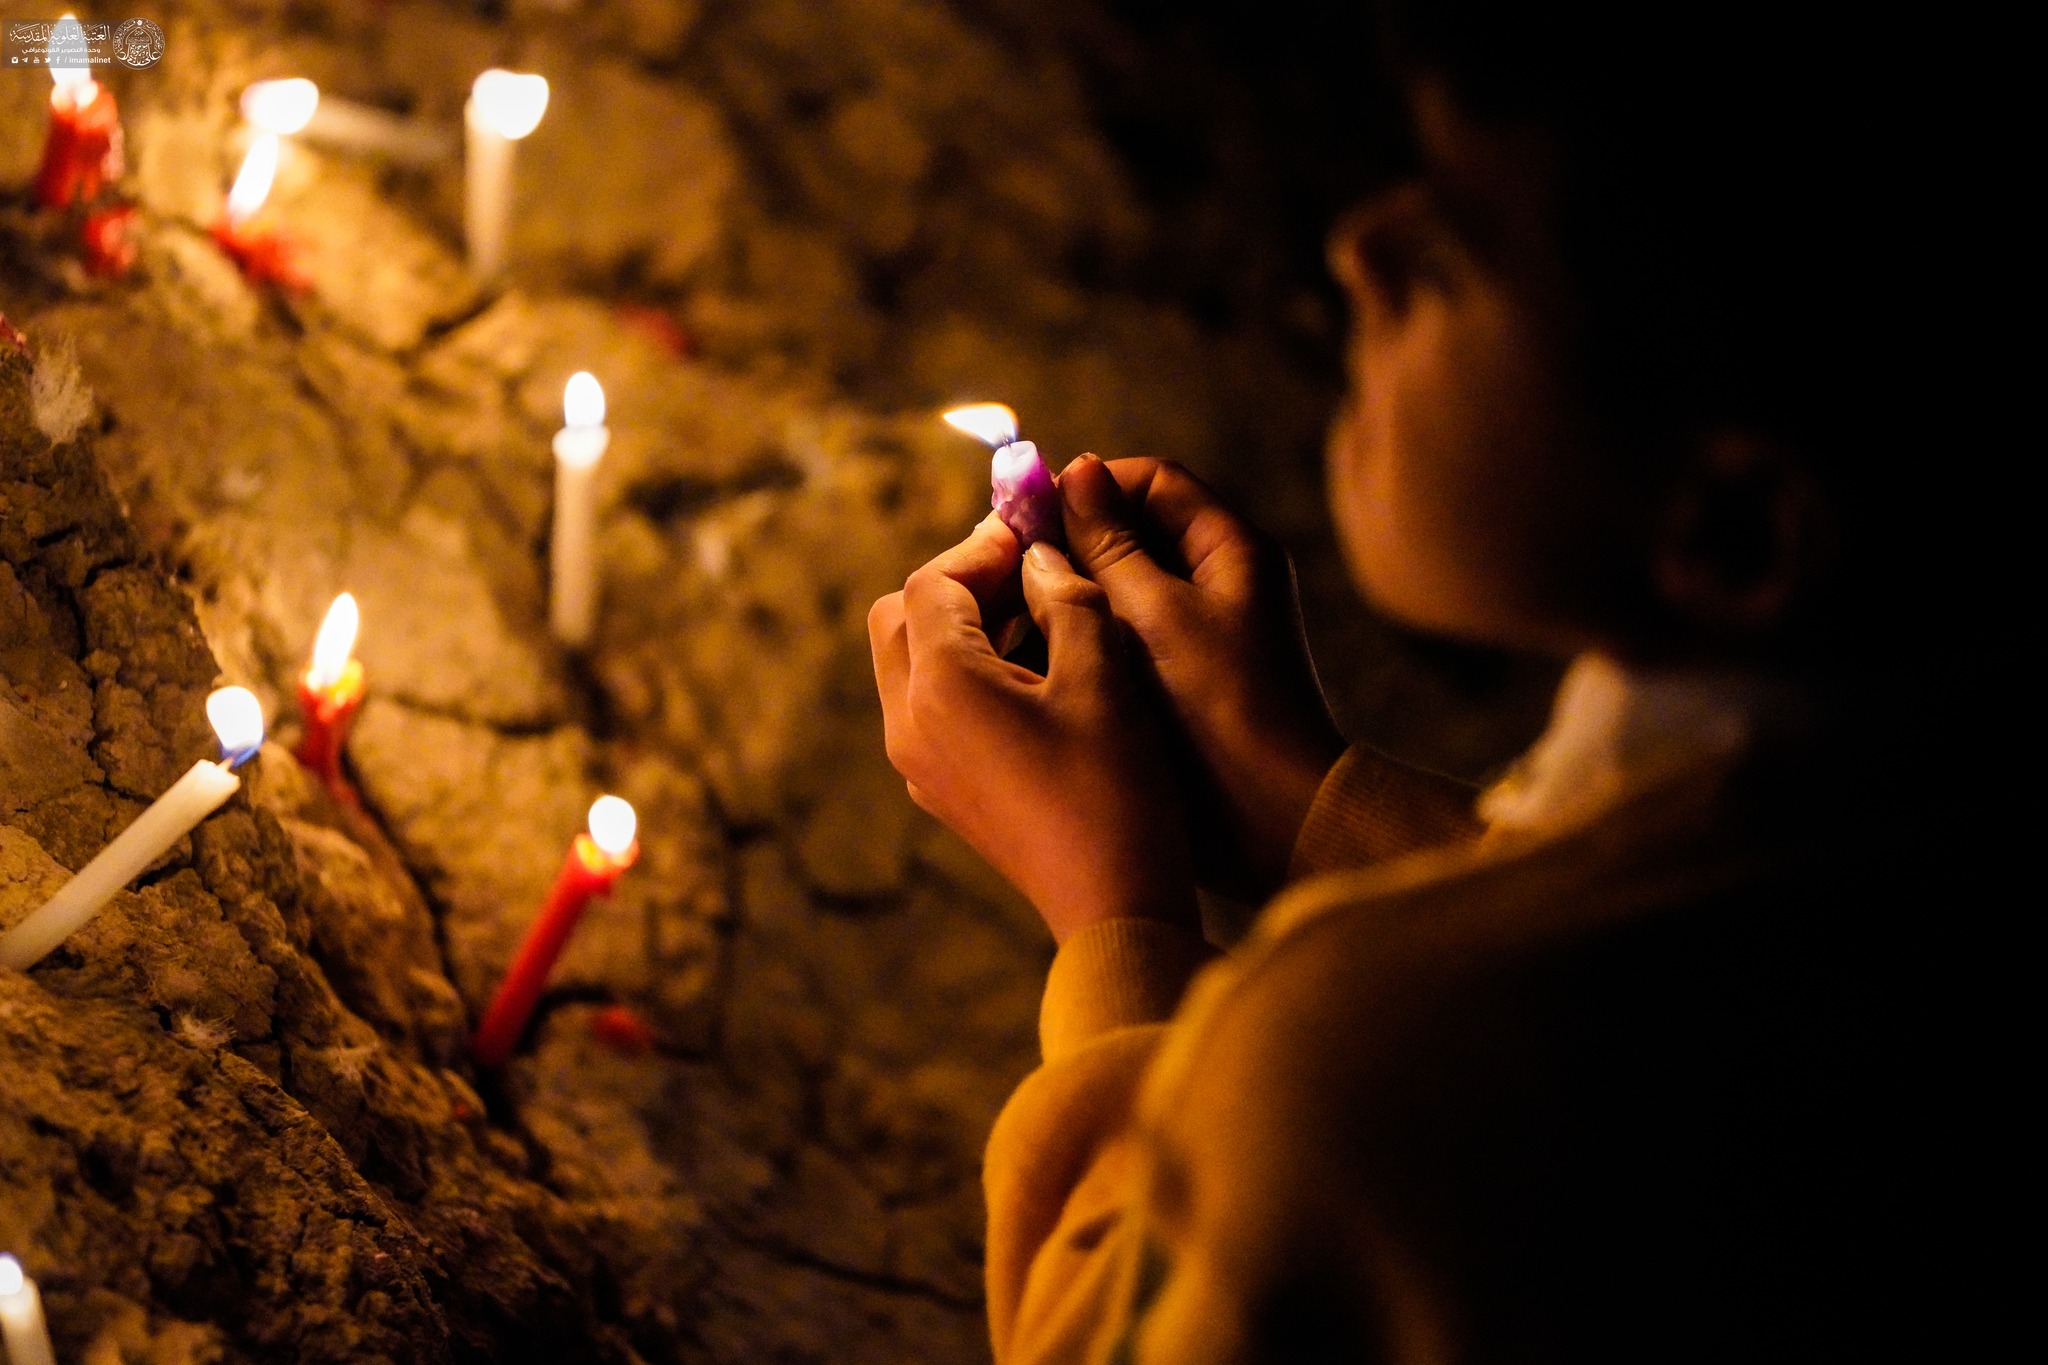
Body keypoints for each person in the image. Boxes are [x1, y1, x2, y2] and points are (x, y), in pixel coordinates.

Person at [869, 2, 2003, 1359]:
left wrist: (1109, 909)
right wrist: (1311, 801)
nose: (1359, 247)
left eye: (1458, 252)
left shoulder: (1350, 1078)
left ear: (1736, 529)